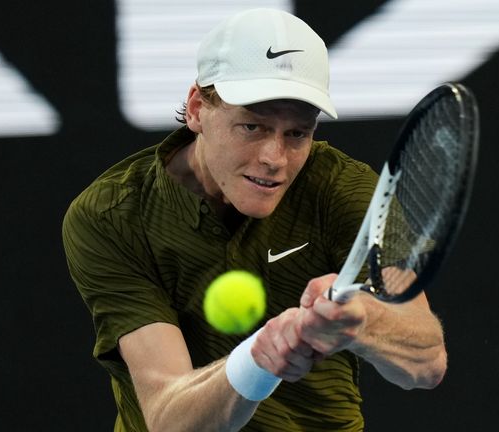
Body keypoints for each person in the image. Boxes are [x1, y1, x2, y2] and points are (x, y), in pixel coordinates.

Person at [62, 8, 446, 432]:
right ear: (196, 109)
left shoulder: (342, 189)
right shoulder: (112, 216)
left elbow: (426, 363)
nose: (274, 159)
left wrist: (360, 323)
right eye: (252, 126)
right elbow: (169, 420)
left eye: (297, 133)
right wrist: (260, 358)